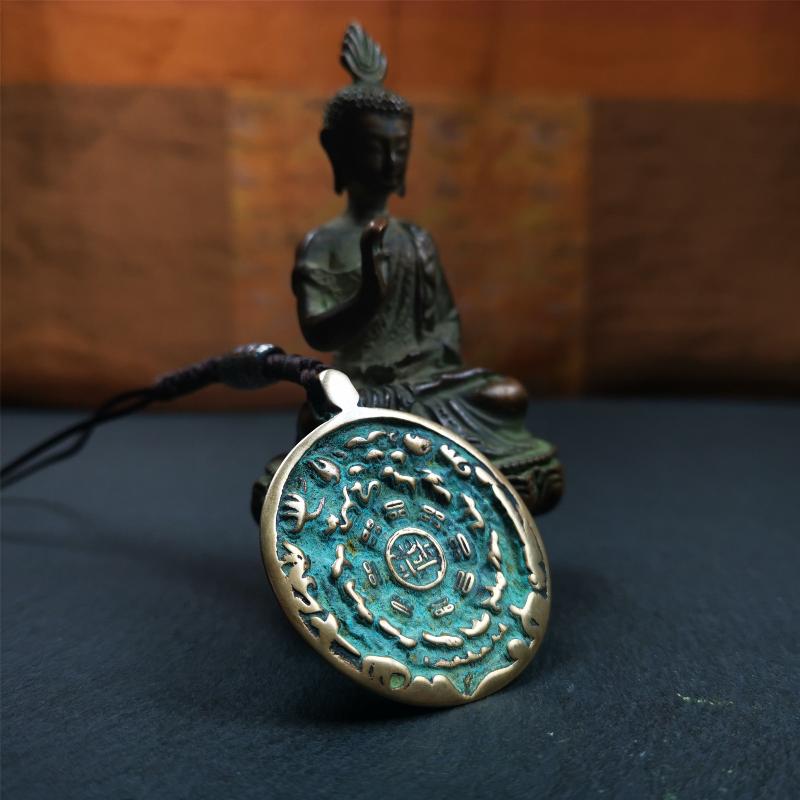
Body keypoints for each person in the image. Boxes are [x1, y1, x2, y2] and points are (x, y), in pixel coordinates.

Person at [251, 23, 562, 519]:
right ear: (339, 152)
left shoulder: (416, 239)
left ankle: (402, 461)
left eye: (402, 148)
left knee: (505, 395)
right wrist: (368, 297)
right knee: (321, 412)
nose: (393, 160)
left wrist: (429, 355)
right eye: (377, 148)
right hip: (364, 390)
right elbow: (316, 329)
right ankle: (430, 471)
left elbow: (445, 323)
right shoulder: (322, 244)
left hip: (427, 387)